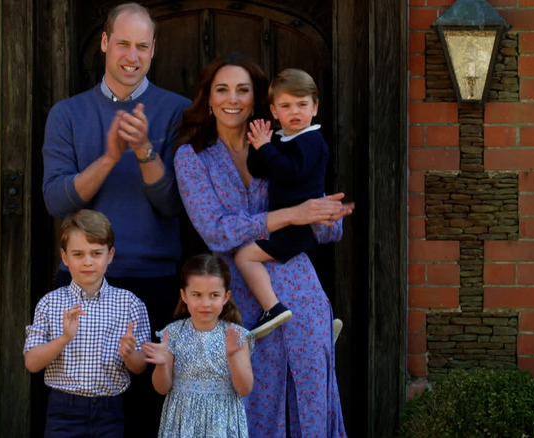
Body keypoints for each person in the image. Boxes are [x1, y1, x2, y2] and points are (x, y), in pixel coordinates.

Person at [173, 53, 353, 437]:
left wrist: (326, 216)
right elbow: (216, 231)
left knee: (309, 398)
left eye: (243, 90)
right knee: (248, 407)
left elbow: (323, 227)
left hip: (301, 291)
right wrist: (291, 215)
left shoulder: (286, 144)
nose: (232, 99)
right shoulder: (192, 158)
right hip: (238, 298)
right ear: (209, 98)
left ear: (255, 100)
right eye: (222, 90)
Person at [41, 3, 191, 436]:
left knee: (147, 412)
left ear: (154, 50)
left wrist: (144, 151)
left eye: (142, 46)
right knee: (81, 406)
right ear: (105, 43)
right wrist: (109, 158)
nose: (132, 55)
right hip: (83, 283)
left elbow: (175, 205)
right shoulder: (67, 114)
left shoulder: (177, 111)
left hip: (154, 282)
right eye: (123, 43)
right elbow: (56, 200)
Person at [23, 209, 151, 438]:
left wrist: (130, 354)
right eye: (78, 254)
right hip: (63, 410)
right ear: (64, 257)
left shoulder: (130, 304)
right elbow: (32, 363)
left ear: (110, 255)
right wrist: (63, 339)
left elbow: (140, 367)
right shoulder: (50, 303)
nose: (88, 262)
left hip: (109, 411)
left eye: (96, 253)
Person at [234, 68, 329, 339]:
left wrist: (267, 147)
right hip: (285, 222)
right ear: (274, 111)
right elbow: (260, 169)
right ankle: (317, 323)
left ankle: (272, 308)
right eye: (286, 106)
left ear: (315, 107)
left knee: (244, 256)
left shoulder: (311, 140)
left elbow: (290, 172)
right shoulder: (282, 139)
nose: (295, 111)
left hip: (298, 226)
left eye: (302, 104)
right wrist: (258, 145)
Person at [142, 254, 253, 438]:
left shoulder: (236, 335)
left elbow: (245, 389)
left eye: (214, 295)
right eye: (197, 295)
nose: (206, 303)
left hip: (222, 423)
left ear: (226, 297)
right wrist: (161, 365)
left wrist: (233, 357)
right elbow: (161, 388)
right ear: (184, 295)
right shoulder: (173, 333)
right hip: (182, 421)